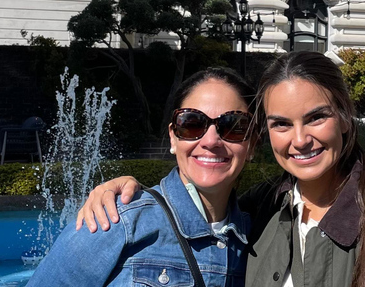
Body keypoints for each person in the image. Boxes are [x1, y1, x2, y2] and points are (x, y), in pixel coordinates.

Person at [77, 51, 365, 287]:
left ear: (344, 118)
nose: (299, 140)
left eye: (316, 118)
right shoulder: (256, 213)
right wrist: (131, 189)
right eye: (281, 124)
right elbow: (197, 203)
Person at [29, 68, 256, 287]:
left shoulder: (260, 236)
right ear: (173, 138)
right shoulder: (116, 220)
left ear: (252, 144)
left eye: (232, 126)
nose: (210, 141)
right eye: (192, 123)